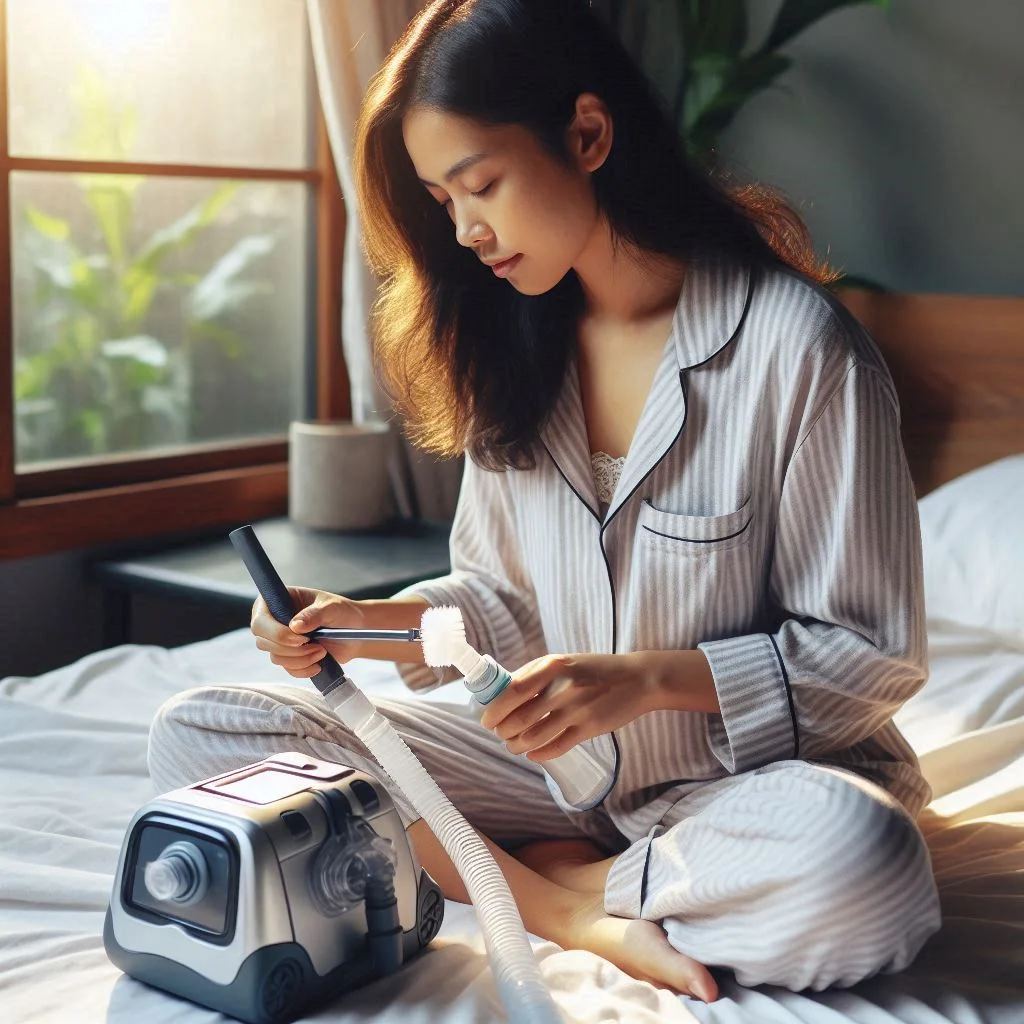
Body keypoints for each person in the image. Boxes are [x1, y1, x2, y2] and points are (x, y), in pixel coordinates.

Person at [148, 0, 941, 1002]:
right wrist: (368, 625)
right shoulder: (509, 342)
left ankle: (547, 873)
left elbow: (871, 653)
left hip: (740, 789)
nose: (466, 231)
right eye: (442, 200)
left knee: (863, 859)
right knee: (201, 731)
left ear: (588, 135)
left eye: (481, 184)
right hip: (547, 770)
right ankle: (562, 902)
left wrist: (647, 681)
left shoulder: (799, 348)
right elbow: (499, 601)